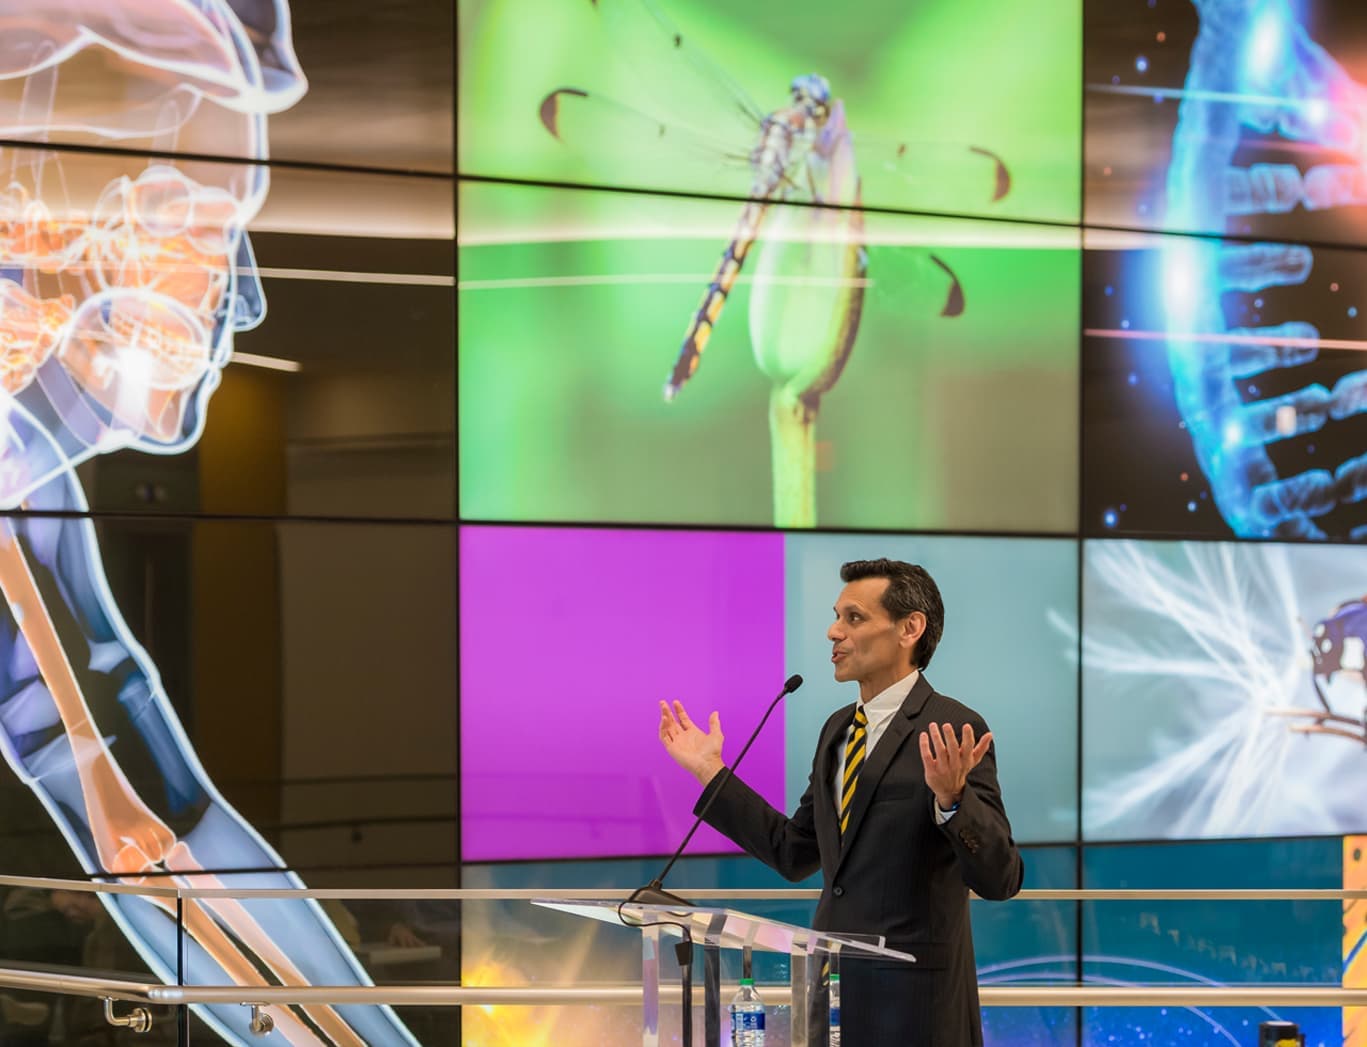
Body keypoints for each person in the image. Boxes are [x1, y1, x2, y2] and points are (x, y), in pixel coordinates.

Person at [659, 557, 1023, 1047]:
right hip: (830, 995)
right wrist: (710, 772)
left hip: (918, 1006)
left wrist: (955, 800)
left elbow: (1002, 879)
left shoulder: (953, 728)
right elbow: (794, 852)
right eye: (836, 616)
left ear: (909, 628)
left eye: (854, 618)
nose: (834, 632)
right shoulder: (837, 731)